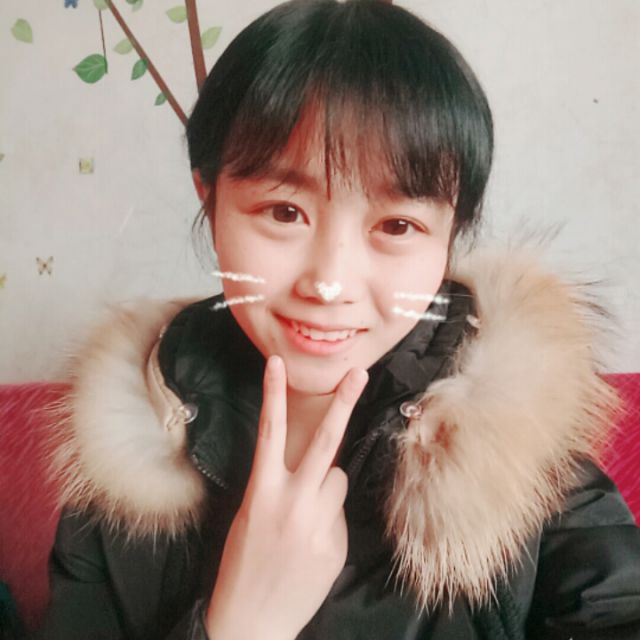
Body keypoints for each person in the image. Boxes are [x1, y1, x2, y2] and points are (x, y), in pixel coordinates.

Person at [35, 1, 640, 638]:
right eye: (284, 213)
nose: (329, 283)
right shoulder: (119, 469)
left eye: (396, 226)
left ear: (451, 235)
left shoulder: (527, 463)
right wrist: (239, 625)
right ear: (209, 200)